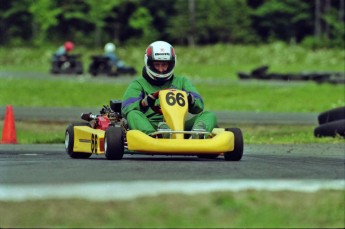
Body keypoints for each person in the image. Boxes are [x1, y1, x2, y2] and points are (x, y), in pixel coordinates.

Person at [121, 40, 217, 138]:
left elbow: (199, 106)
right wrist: (144, 103)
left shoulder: (182, 81)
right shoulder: (138, 83)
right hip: (150, 124)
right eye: (157, 65)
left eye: (164, 65)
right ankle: (154, 136)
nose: (161, 69)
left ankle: (198, 135)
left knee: (209, 115)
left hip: (179, 127)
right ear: (149, 63)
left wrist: (190, 99)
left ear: (171, 64)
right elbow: (126, 109)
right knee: (132, 114)